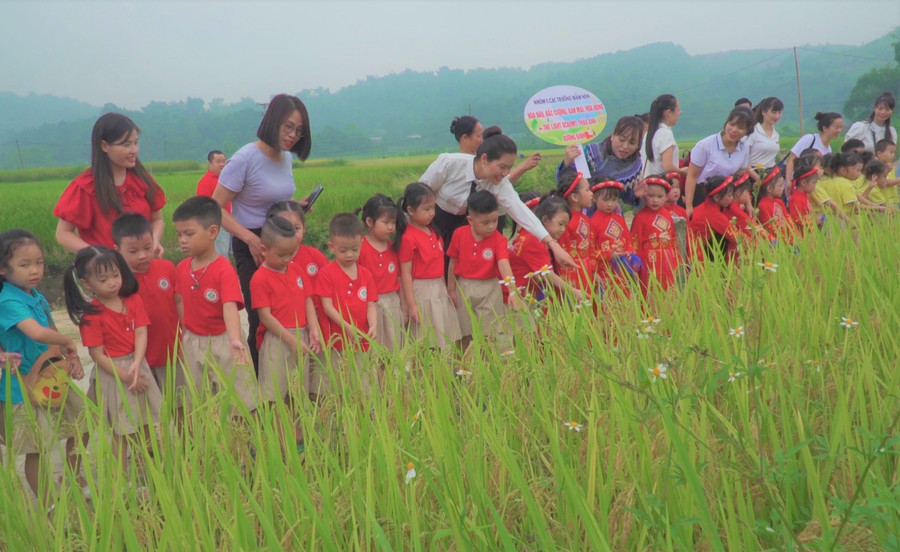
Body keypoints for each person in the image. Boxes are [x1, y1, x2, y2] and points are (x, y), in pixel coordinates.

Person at [211, 94, 313, 370]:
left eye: (299, 130)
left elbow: (272, 201)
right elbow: (214, 208)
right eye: (288, 127)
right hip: (253, 243)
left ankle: (290, 375)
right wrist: (251, 239)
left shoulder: (285, 159)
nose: (293, 135)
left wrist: (295, 207)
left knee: (289, 310)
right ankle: (260, 382)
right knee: (261, 316)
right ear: (273, 122)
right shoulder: (245, 158)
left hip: (282, 238)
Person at [0, 230, 87, 508]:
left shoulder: (35, 295)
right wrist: (66, 340)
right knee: (36, 451)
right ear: (3, 268)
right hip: (21, 389)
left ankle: (71, 482)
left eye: (39, 262)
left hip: (53, 378)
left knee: (82, 426)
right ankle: (50, 508)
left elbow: (49, 327)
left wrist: (67, 353)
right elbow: (37, 333)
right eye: (25, 265)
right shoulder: (8, 301)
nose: (35, 270)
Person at [63, 245, 162, 470]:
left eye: (116, 275)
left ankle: (150, 469)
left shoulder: (133, 300)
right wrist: (126, 377)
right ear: (87, 284)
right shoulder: (92, 315)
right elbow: (97, 356)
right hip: (114, 374)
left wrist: (137, 363)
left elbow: (141, 331)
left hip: (137, 365)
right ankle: (121, 481)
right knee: (122, 429)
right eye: (103, 279)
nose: (112, 282)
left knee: (146, 421)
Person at [419, 132, 576, 272]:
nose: (506, 173)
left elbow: (519, 210)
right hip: (435, 223)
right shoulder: (450, 163)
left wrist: (552, 243)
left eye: (509, 168)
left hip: (466, 228)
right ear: (484, 158)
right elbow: (420, 194)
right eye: (502, 167)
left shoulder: (499, 183)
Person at [172, 197, 258, 416]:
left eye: (189, 234)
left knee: (240, 399)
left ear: (212, 232)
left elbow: (229, 307)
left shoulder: (223, 269)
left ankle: (246, 445)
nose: (182, 240)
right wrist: (184, 330)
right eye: (179, 234)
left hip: (224, 341)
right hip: (193, 341)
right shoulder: (182, 268)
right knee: (201, 400)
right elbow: (180, 300)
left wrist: (235, 339)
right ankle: (212, 445)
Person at [250, 216, 321, 452]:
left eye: (292, 253)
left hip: (301, 336)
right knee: (276, 394)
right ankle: (280, 439)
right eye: (281, 255)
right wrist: (290, 340)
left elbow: (308, 300)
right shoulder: (260, 278)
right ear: (264, 249)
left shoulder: (296, 269)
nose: (288, 259)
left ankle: (297, 435)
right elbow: (265, 317)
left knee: (296, 391)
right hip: (278, 341)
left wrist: (314, 330)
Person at [54, 113, 166, 253]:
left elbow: (157, 220)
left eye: (136, 143)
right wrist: (99, 255)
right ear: (104, 146)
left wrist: (153, 242)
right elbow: (63, 234)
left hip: (143, 266)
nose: (134, 150)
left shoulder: (142, 181)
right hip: (106, 272)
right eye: (126, 144)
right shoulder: (85, 187)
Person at [111, 214, 183, 409]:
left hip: (173, 354)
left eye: (147, 248)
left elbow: (179, 304)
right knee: (149, 414)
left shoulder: (167, 268)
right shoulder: (118, 283)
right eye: (133, 251)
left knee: (181, 407)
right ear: (117, 251)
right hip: (140, 361)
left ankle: (186, 441)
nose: (142, 255)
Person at [266, 200, 329, 397]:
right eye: (284, 228)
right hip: (284, 331)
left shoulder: (314, 255)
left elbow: (328, 286)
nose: (291, 234)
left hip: (315, 327)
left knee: (314, 379)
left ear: (304, 228)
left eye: (296, 228)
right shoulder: (270, 262)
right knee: (284, 387)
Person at [446, 191, 518, 352]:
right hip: (463, 287)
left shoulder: (498, 239)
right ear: (470, 220)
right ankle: (461, 369)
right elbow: (452, 262)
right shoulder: (459, 234)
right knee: (462, 331)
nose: (491, 226)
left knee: (488, 333)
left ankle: (486, 367)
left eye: (494, 221)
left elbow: (503, 263)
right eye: (485, 223)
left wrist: (512, 289)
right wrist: (451, 288)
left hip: (489, 289)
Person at [315, 214, 379, 395]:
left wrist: (373, 324)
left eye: (355, 249)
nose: (350, 254)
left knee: (364, 383)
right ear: (331, 247)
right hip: (338, 341)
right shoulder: (326, 274)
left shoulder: (365, 274)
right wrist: (347, 327)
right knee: (339, 385)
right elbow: (327, 306)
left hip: (362, 340)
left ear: (362, 245)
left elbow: (371, 304)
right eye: (343, 250)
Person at [398, 183, 462, 350]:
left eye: (433, 208)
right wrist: (411, 305)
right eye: (426, 209)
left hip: (438, 289)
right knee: (425, 341)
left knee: (443, 338)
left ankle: (442, 373)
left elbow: (439, 265)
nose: (432, 213)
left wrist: (446, 288)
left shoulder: (433, 232)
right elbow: (405, 274)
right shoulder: (408, 238)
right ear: (411, 211)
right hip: (421, 292)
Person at [683, 107, 756, 219]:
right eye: (731, 124)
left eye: (741, 127)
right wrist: (689, 206)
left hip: (726, 198)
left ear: (747, 131)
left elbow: (740, 177)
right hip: (703, 196)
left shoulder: (744, 148)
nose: (734, 130)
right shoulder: (705, 146)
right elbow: (692, 176)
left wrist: (748, 203)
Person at [508, 196, 580, 307]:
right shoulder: (534, 241)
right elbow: (547, 274)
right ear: (545, 220)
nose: (563, 229)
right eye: (560, 224)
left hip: (519, 291)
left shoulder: (529, 234)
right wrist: (573, 291)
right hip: (512, 294)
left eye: (565, 225)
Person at [558, 115, 645, 206]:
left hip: (610, 211)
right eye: (621, 139)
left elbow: (624, 197)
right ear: (612, 135)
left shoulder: (634, 164)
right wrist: (566, 164)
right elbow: (565, 184)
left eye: (632, 143)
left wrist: (634, 195)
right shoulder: (590, 153)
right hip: (583, 210)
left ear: (638, 144)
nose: (625, 146)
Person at [357, 194, 405, 353]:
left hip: (392, 304)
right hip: (369, 306)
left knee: (394, 350)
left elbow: (400, 280)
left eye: (393, 222)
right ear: (369, 222)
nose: (390, 227)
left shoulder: (394, 248)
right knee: (373, 353)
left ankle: (391, 378)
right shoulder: (359, 248)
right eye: (385, 222)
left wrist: (404, 308)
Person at [589, 180, 639, 300]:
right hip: (605, 270)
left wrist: (629, 255)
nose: (610, 204)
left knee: (624, 298)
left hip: (623, 267)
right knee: (608, 301)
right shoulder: (592, 223)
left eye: (614, 200)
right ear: (594, 199)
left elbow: (628, 241)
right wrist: (608, 255)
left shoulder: (620, 219)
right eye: (605, 200)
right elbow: (590, 249)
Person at [631, 176, 680, 294]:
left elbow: (673, 239)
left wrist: (677, 260)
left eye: (660, 196)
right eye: (651, 196)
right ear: (644, 195)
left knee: (669, 292)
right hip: (649, 262)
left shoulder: (668, 215)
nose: (655, 200)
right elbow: (635, 243)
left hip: (668, 259)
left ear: (666, 197)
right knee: (650, 292)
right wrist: (635, 267)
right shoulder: (640, 217)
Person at [554, 171, 599, 297]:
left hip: (586, 270)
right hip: (571, 274)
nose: (591, 194)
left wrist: (594, 271)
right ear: (574, 197)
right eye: (587, 190)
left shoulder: (585, 220)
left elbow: (591, 248)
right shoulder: (565, 222)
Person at [784, 112, 844, 192]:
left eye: (841, 127)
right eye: (836, 127)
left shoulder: (828, 149)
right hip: (797, 185)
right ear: (825, 128)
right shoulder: (810, 139)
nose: (839, 130)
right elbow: (792, 159)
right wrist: (788, 180)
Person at [688, 176, 741, 262]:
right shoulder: (713, 214)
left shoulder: (704, 207)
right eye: (729, 195)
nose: (732, 199)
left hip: (693, 245)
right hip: (695, 252)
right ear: (717, 197)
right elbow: (736, 236)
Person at [196, 150, 232, 257]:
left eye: (224, 161)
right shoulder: (205, 182)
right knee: (221, 255)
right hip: (219, 225)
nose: (222, 164)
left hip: (234, 223)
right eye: (218, 161)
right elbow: (205, 208)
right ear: (210, 163)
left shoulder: (228, 179)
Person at [643, 94, 686, 178]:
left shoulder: (650, 133)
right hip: (661, 185)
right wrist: (682, 171)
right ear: (669, 112)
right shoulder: (665, 133)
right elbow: (668, 167)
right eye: (678, 110)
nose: (679, 114)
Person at [746, 97, 783, 169]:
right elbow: (743, 160)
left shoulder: (776, 135)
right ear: (763, 112)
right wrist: (758, 178)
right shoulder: (752, 131)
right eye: (774, 112)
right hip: (753, 173)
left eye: (779, 112)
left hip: (770, 173)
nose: (777, 116)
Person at [755, 168, 791, 241]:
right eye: (780, 185)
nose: (783, 188)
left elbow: (789, 221)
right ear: (769, 189)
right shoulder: (762, 206)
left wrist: (794, 238)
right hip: (776, 243)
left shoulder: (779, 202)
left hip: (787, 239)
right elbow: (770, 228)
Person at [788, 159, 821, 236]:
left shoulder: (804, 195)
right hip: (802, 236)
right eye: (814, 182)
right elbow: (796, 219)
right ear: (803, 183)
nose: (815, 186)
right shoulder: (796, 198)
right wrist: (815, 220)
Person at [874, 139, 899, 208]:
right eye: (891, 152)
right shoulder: (877, 167)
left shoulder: (889, 165)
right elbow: (885, 183)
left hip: (892, 200)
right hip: (883, 202)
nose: (893, 155)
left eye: (894, 153)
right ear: (879, 154)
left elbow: (893, 181)